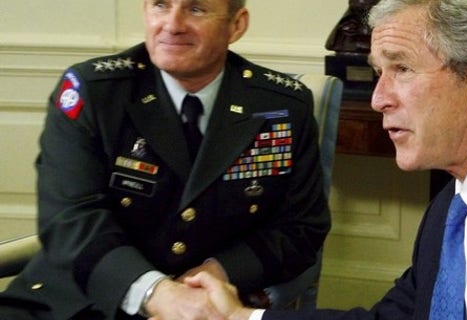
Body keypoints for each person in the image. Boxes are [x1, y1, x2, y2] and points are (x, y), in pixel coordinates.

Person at [191, 0, 467, 319]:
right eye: (378, 72)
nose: (378, 98)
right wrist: (234, 318)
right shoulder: (450, 211)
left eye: (401, 68)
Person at [0, 0, 330, 319]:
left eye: (196, 8)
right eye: (160, 5)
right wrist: (157, 293)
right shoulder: (95, 92)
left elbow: (300, 228)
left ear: (236, 24)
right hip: (77, 302)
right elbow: (70, 217)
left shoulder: (280, 105)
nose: (172, 25)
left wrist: (216, 273)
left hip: (208, 304)